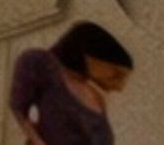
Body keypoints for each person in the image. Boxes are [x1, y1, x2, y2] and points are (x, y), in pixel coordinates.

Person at [7, 22, 135, 145]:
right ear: (91, 55)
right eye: (116, 74)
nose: (119, 87)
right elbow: (18, 107)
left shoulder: (96, 97)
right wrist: (37, 141)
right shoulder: (41, 62)